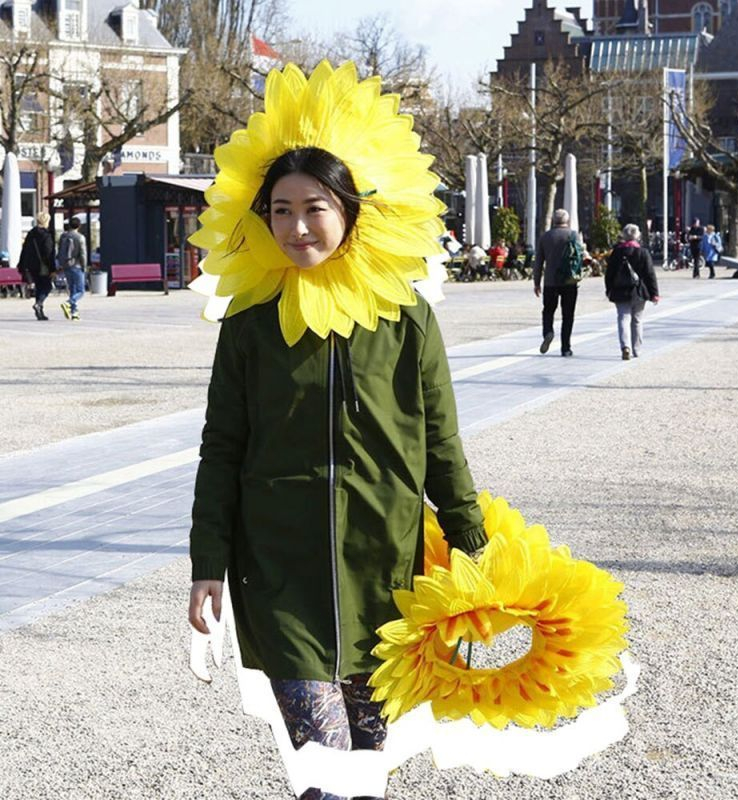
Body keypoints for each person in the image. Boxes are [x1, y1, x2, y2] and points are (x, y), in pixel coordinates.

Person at [187, 64, 486, 800]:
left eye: (313, 208)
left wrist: (476, 551)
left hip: (385, 573)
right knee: (323, 772)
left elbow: (441, 442)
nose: (294, 228)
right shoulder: (250, 327)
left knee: (368, 771)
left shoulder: (406, 319)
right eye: (279, 210)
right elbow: (221, 448)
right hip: (279, 577)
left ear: (353, 208)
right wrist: (207, 564)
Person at [604, 223, 660, 360]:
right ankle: (636, 349)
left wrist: (609, 289)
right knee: (637, 320)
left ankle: (625, 346)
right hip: (638, 291)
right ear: (637, 236)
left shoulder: (616, 252)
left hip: (619, 291)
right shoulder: (643, 252)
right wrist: (654, 293)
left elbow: (609, 273)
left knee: (623, 317)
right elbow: (649, 274)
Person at [533, 208, 583, 357]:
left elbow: (538, 262)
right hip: (569, 280)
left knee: (548, 310)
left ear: (553, 221)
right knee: (568, 315)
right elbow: (580, 256)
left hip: (550, 281)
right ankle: (565, 348)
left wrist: (537, 282)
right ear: (567, 221)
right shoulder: (574, 235)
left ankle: (548, 332)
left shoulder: (545, 237)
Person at [18, 212, 56, 320]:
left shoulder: (31, 233)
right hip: (42, 266)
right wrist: (52, 268)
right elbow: (49, 253)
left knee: (39, 287)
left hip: (30, 265)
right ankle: (39, 303)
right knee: (47, 286)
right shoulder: (46, 235)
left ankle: (40, 311)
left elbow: (24, 250)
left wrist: (22, 265)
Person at [57, 216, 87, 321]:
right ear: (79, 226)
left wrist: (60, 264)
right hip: (77, 265)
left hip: (66, 266)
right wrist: (84, 266)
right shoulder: (80, 237)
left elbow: (59, 251)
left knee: (72, 289)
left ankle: (74, 312)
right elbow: (83, 253)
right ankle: (68, 303)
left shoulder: (63, 236)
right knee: (81, 291)